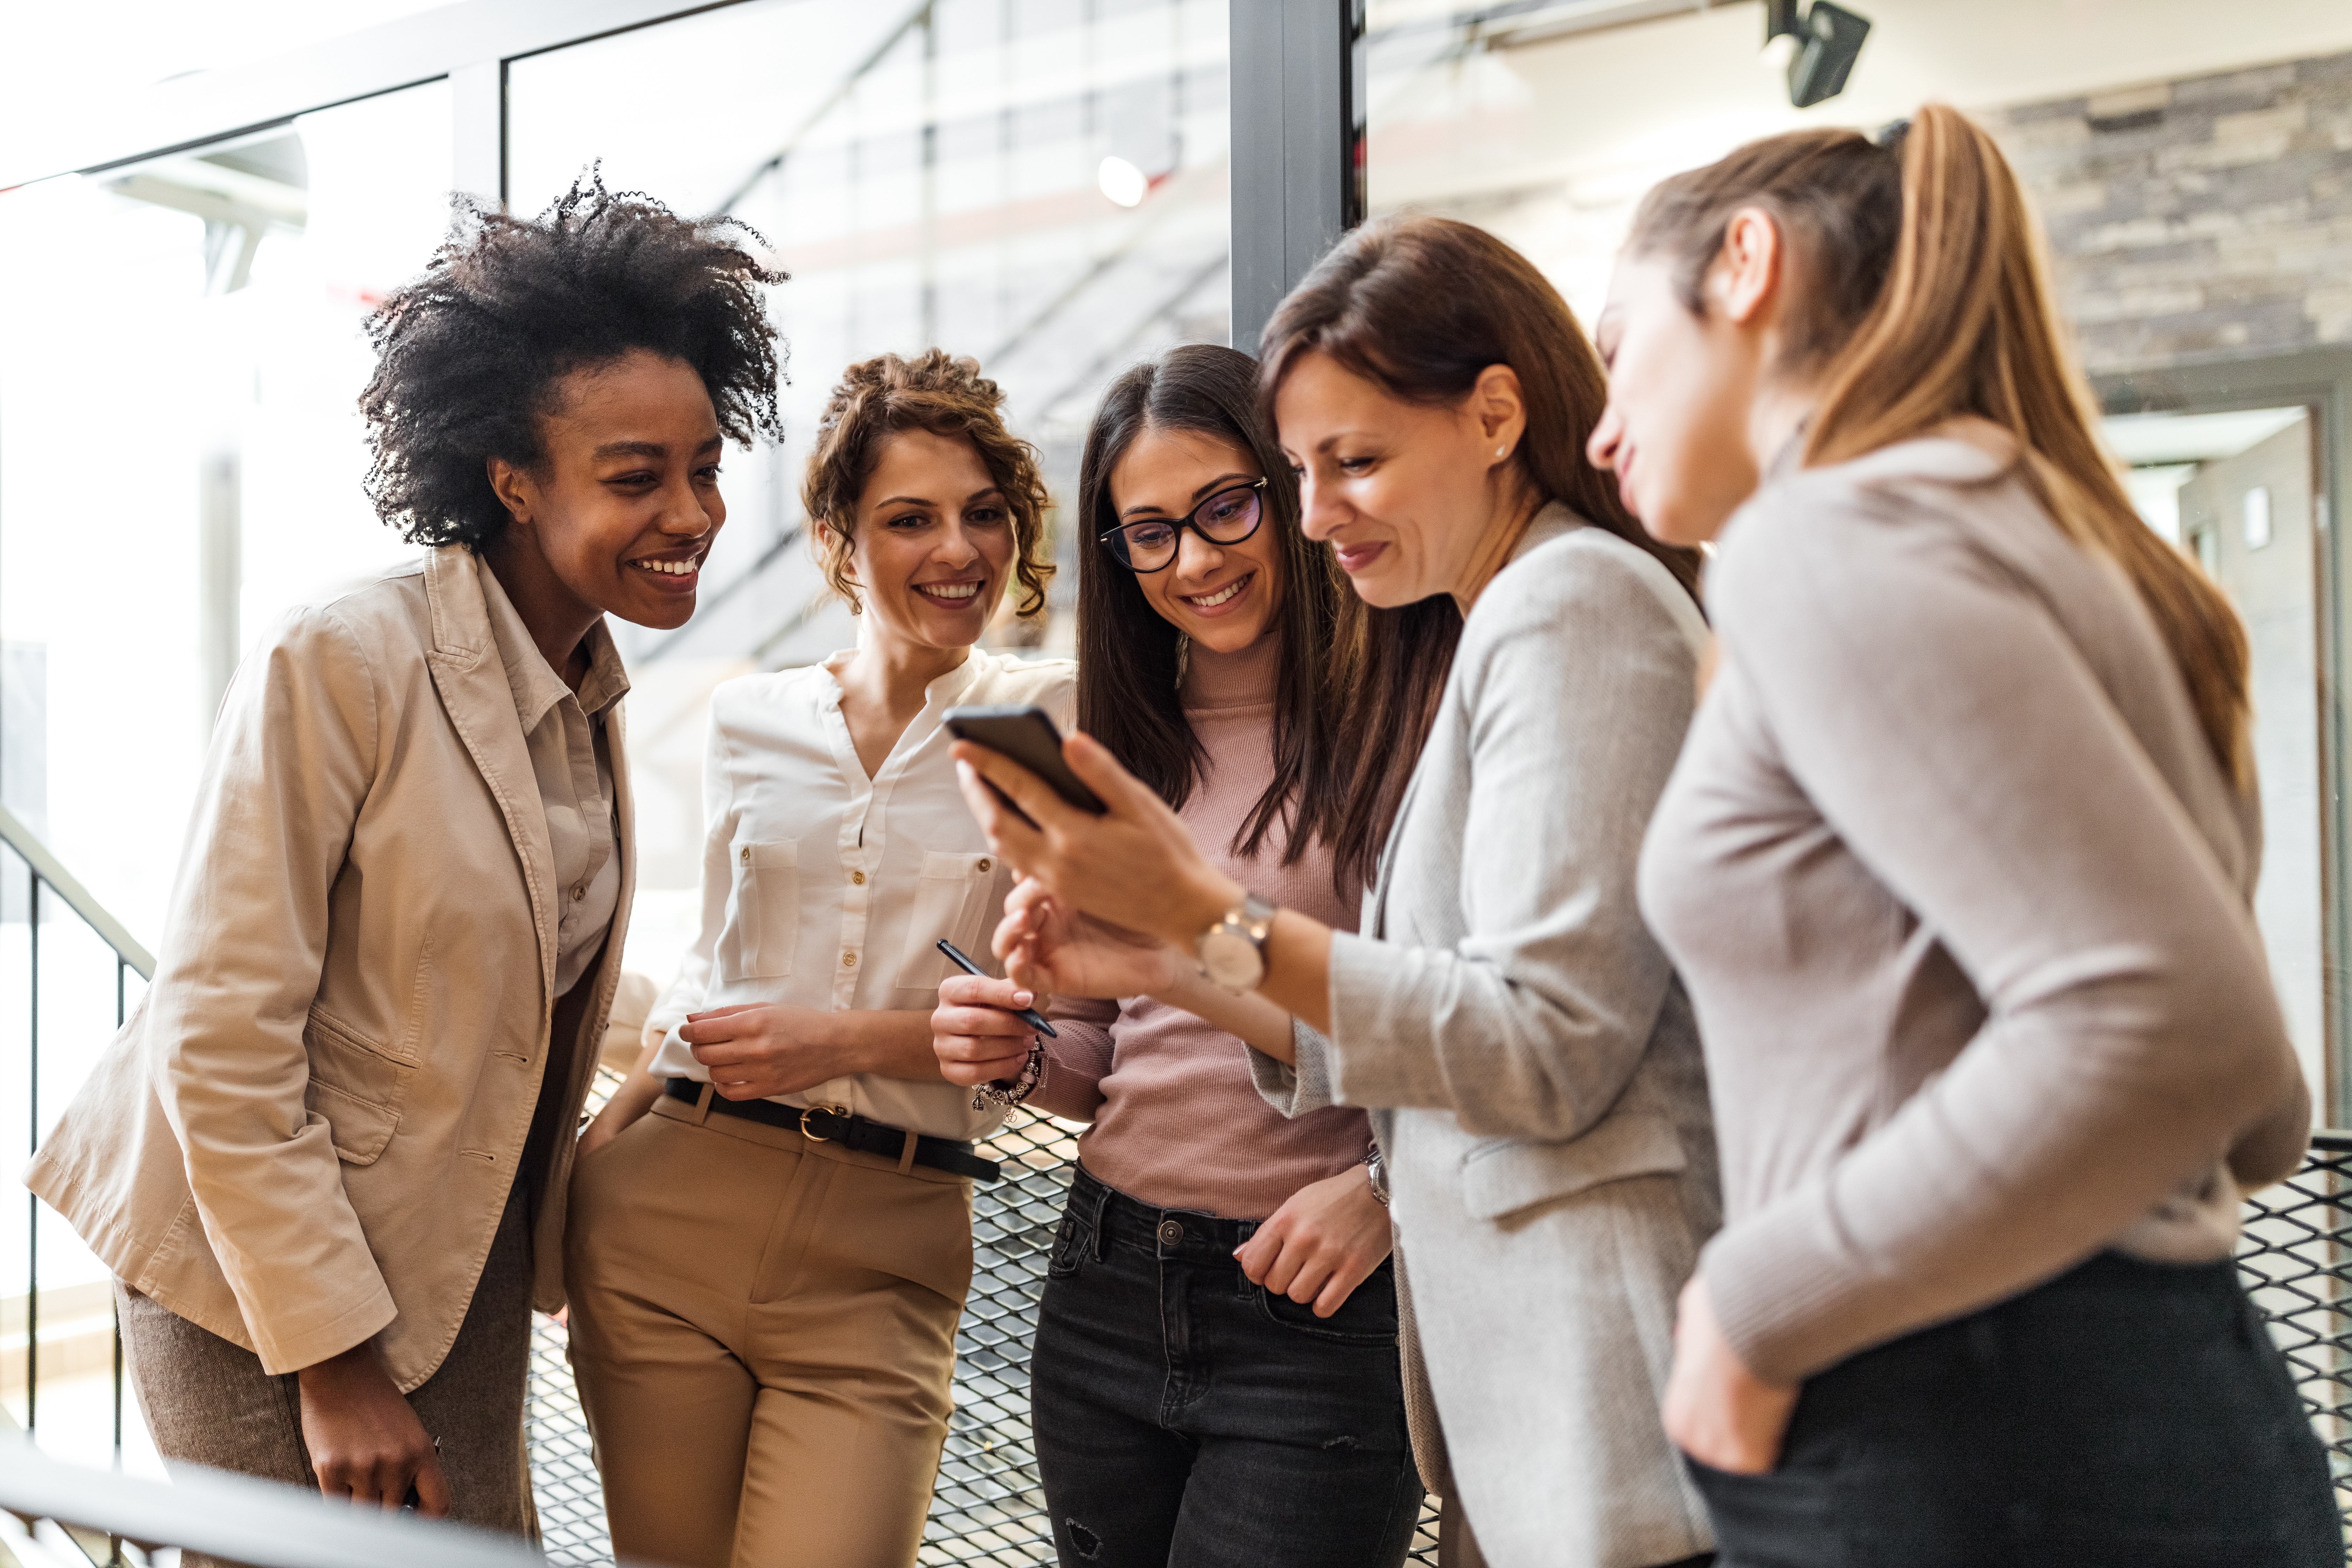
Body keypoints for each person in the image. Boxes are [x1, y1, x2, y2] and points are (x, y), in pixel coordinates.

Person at [1592, 107, 2338, 1564]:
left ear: (1744, 263)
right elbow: (2258, 1111)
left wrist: (1755, 1303)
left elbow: (2180, 1028)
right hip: (2148, 1390)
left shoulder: (1826, 536)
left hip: (1972, 1428)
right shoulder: (2069, 547)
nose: (1601, 423)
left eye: (1620, 350)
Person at [948, 217, 1721, 1568]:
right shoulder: (1507, 622)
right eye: (1304, 472)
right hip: (1129, 1274)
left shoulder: (1556, 614)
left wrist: (1198, 931)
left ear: (1495, 417)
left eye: (1345, 465)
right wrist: (1140, 979)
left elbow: (1544, 1042)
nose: (1310, 518)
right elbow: (1448, 1014)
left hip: (1464, 1325)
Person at [22, 175, 780, 1542]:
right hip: (259, 1278)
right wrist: (332, 1363)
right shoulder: (347, 658)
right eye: (636, 478)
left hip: (453, 1258)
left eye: (706, 467)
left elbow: (505, 963)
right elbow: (220, 1034)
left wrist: (722, 1033)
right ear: (511, 479)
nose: (693, 513)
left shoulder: (583, 684)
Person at [564, 348, 1072, 1568]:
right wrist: (613, 1132)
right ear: (841, 538)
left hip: (889, 1248)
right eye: (911, 519)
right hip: (671, 1206)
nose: (959, 549)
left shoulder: (1053, 721)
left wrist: (840, 1041)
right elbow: (714, 959)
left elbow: (1060, 1015)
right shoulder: (749, 720)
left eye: (984, 513)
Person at [930, 343, 1422, 1567]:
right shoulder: (1114, 746)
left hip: (1317, 1303)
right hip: (1104, 1276)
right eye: (1150, 534)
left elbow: (1469, 1025)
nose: (1195, 561)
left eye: (1224, 508)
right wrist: (1015, 1049)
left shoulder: (1405, 726)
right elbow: (1107, 1051)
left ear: (1289, 490)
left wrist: (1388, 1192)